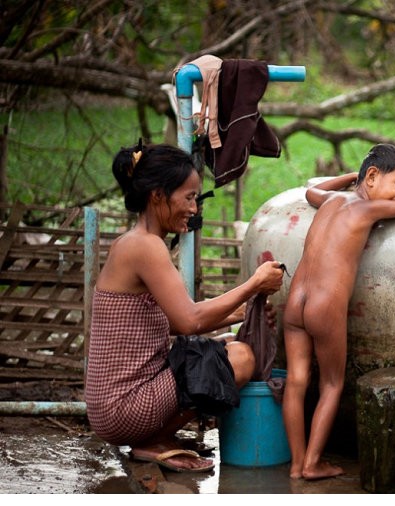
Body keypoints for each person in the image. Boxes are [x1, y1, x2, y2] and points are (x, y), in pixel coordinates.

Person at [84, 141, 284, 473]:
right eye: (188, 197)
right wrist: (253, 285)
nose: (194, 208)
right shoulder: (144, 247)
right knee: (241, 357)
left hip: (115, 405)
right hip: (123, 407)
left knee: (231, 346)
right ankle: (153, 441)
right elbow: (189, 320)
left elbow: (172, 322)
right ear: (158, 195)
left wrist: (243, 311)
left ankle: (153, 438)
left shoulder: (135, 243)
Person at [282, 143, 395, 480]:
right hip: (324, 305)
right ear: (372, 177)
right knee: (332, 383)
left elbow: (311, 191)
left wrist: (351, 176)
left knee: (296, 381)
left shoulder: (332, 200)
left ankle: (294, 464)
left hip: (295, 302)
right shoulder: (367, 211)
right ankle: (312, 463)